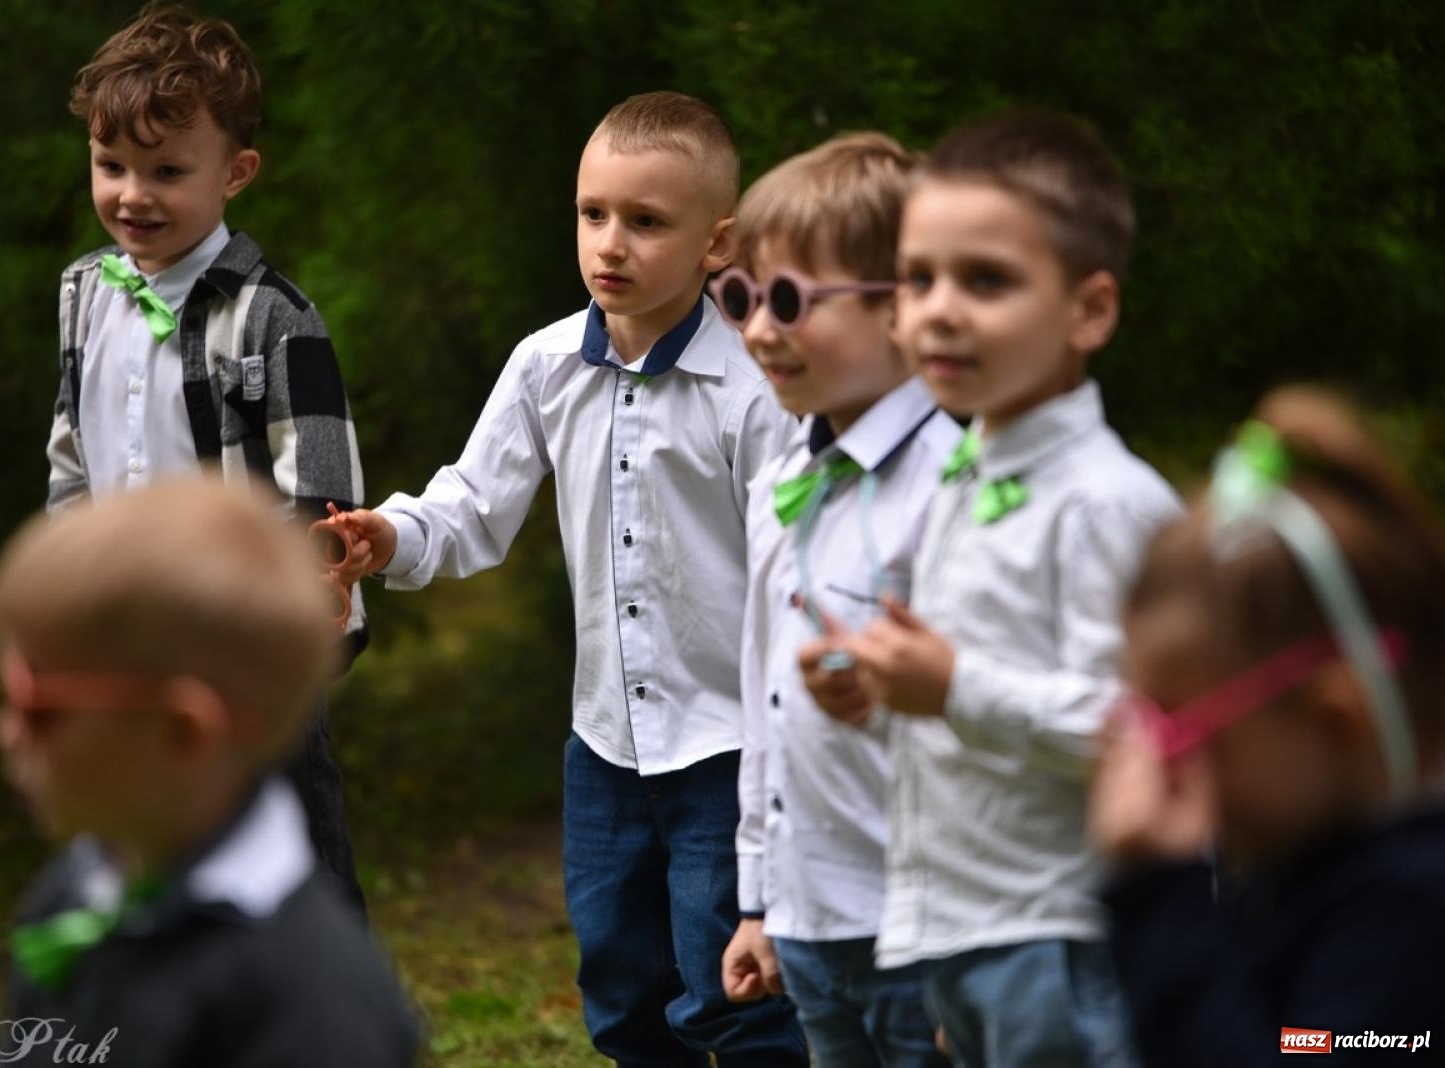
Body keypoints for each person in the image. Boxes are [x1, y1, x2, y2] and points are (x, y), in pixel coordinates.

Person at [336, 91, 807, 1065]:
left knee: (733, 990)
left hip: (727, 743)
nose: (611, 244)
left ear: (717, 243)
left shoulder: (752, 389)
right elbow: (472, 504)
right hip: (604, 745)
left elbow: (791, 564)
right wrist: (391, 534)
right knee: (621, 988)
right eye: (593, 214)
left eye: (647, 221)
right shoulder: (545, 364)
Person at [805, 110, 1179, 1066]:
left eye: (986, 281)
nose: (939, 309)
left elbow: (1146, 737)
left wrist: (953, 686)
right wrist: (882, 696)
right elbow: (971, 711)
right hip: (966, 934)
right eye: (918, 278)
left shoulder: (1104, 504)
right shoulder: (964, 474)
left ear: (1089, 312)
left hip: (1064, 936)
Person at [43, 4, 368, 912]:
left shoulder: (273, 317)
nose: (132, 195)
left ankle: (325, 986)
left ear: (236, 174)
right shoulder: (83, 293)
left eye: (167, 171)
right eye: (111, 166)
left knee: (291, 845)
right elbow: (72, 454)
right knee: (144, 846)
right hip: (125, 634)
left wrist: (299, 625)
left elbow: (321, 492)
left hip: (244, 640)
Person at [0, 478, 419, 1067]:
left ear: (184, 734)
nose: (4, 732)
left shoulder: (319, 1010)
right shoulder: (69, 895)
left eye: (40, 709)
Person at [1091, 388, 1445, 1066]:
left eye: (1183, 736)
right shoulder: (1296, 864)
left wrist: (1162, 897)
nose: (1155, 766)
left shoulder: (1416, 913)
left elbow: (1305, 1048)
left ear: (1337, 716)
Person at [712, 132, 959, 1066]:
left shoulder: (952, 493)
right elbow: (764, 700)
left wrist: (973, 943)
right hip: (810, 919)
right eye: (741, 298)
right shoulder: (785, 478)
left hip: (922, 932)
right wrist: (760, 902)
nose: (757, 332)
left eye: (788, 300)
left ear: (899, 309)